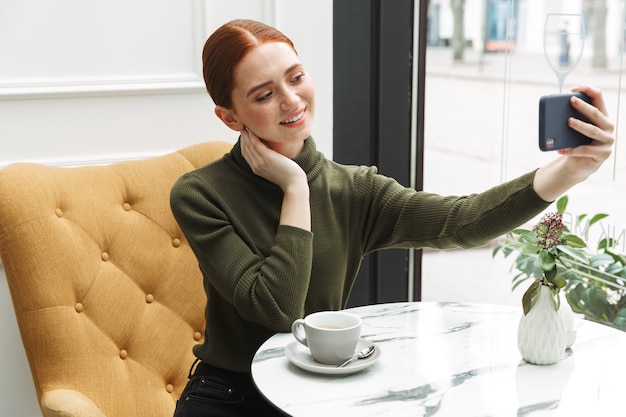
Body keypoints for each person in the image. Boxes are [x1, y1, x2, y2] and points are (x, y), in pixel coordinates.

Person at [170, 19, 615, 417]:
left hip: (319, 393)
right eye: (265, 95)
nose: (291, 101)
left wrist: (570, 170)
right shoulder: (200, 195)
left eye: (297, 78)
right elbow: (278, 309)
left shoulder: (354, 189)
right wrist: (295, 188)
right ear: (229, 116)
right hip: (231, 397)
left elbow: (462, 223)